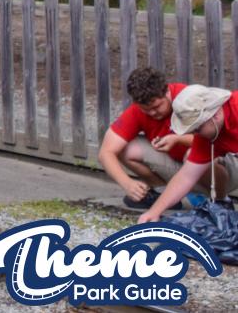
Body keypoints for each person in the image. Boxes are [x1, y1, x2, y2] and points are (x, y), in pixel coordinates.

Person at [139, 85, 238, 223]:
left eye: (197, 128)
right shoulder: (208, 135)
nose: (194, 134)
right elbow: (186, 176)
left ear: (215, 115)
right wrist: (154, 212)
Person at [98, 67, 190, 208]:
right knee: (125, 148)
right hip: (176, 166)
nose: (152, 113)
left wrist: (178, 139)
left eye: (157, 106)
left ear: (167, 91)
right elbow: (105, 152)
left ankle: (217, 200)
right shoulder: (136, 111)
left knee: (194, 152)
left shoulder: (187, 98)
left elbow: (215, 140)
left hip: (207, 167)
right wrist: (127, 183)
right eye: (146, 109)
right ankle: (162, 192)